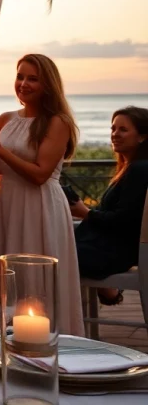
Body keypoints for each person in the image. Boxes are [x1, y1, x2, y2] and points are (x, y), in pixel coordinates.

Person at [0, 54, 83, 335]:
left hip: (39, 206)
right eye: (20, 76)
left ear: (47, 84)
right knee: (8, 273)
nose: (23, 83)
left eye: (32, 78)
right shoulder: (6, 119)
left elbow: (39, 174)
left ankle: (46, 339)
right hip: (6, 202)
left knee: (36, 273)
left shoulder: (56, 122)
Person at [72, 106, 148, 305]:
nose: (115, 134)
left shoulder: (139, 169)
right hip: (114, 246)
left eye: (123, 130)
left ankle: (62, 321)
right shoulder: (130, 168)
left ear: (142, 137)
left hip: (118, 251)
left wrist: (85, 213)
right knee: (57, 244)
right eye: (113, 129)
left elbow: (123, 221)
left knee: (54, 254)